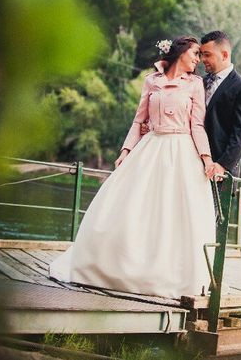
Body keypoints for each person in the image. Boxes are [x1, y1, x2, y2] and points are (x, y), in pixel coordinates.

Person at [49, 36, 217, 299]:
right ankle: (114, 266)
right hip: (151, 147)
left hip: (182, 152)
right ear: (181, 52)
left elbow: (197, 125)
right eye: (195, 54)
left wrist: (206, 158)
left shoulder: (195, 84)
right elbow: (139, 120)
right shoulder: (152, 81)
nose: (197, 60)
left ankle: (170, 275)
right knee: (129, 205)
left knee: (174, 213)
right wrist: (126, 151)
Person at [198, 30, 241, 179]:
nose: (202, 59)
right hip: (193, 163)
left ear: (224, 55)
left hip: (220, 172)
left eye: (207, 54)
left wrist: (222, 165)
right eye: (200, 54)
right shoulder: (199, 83)